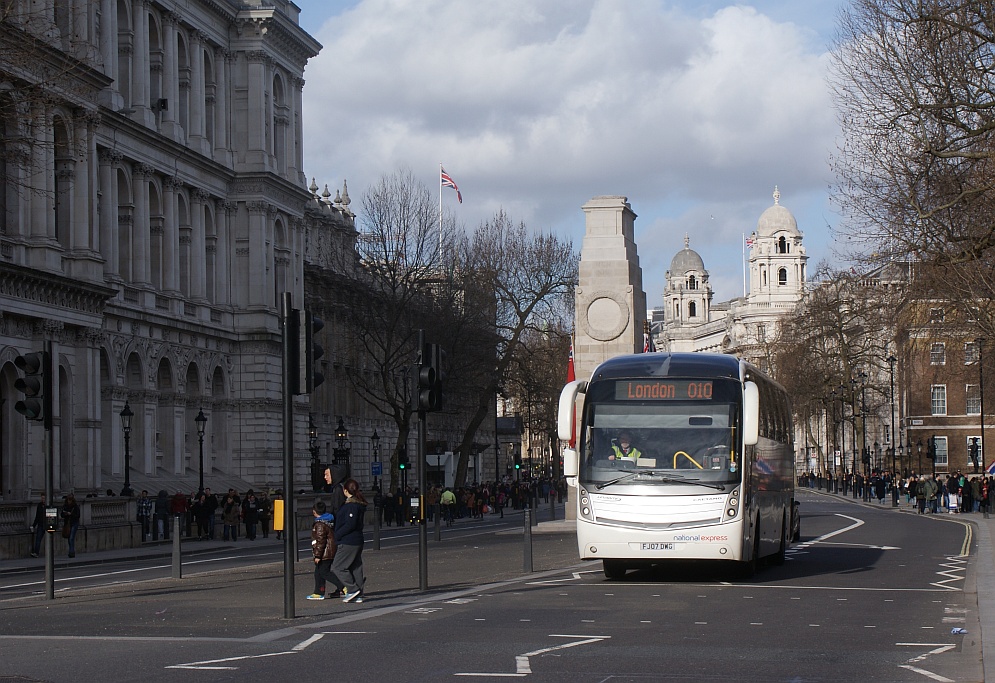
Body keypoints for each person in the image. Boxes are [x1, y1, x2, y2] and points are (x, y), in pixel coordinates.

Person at [332, 478, 368, 603]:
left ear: (345, 490)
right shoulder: (357, 504)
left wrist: (337, 535)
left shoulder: (351, 506)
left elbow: (350, 524)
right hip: (356, 539)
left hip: (348, 540)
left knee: (337, 567)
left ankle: (353, 589)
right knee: (355, 566)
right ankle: (359, 593)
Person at [307, 500, 337, 600]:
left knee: (324, 572)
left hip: (325, 553)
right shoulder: (327, 520)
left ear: (314, 512)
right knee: (319, 572)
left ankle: (343, 586)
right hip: (328, 551)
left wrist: (317, 555)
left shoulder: (319, 524)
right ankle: (319, 591)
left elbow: (320, 541)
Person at [61, 493, 81, 558]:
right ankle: (71, 551)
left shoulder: (75, 506)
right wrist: (66, 514)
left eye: (70, 500)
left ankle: (71, 552)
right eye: (68, 500)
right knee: (69, 538)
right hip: (68, 524)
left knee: (71, 538)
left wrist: (71, 514)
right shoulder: (65, 506)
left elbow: (78, 515)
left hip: (74, 523)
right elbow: (62, 514)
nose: (69, 501)